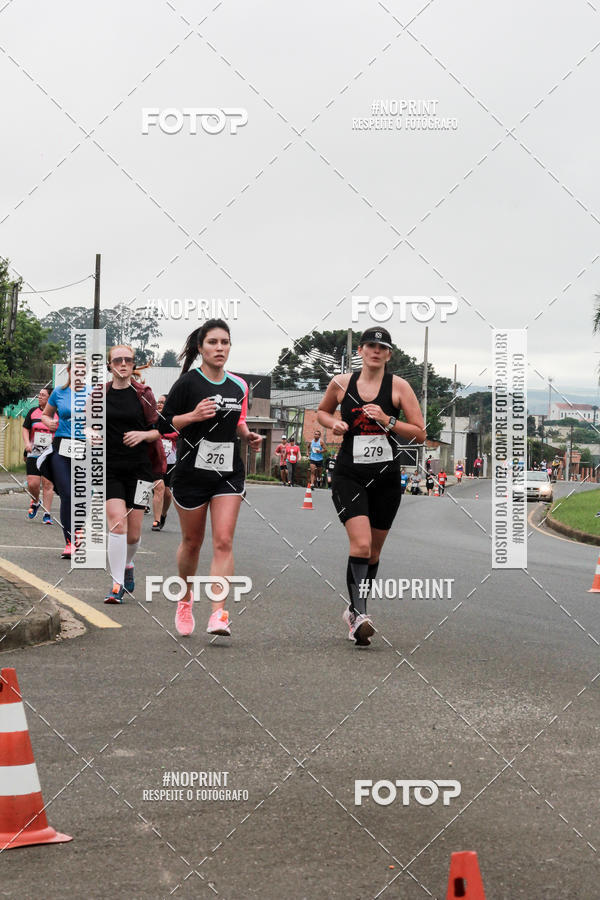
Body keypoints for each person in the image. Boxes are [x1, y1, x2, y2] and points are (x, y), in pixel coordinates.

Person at [317, 326, 425, 645]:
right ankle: (360, 614)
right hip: (349, 473)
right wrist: (333, 422)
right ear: (361, 351)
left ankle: (353, 608)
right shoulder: (341, 383)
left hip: (386, 477)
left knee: (374, 553)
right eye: (370, 345)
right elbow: (322, 412)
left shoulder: (399, 387)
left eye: (382, 347)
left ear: (389, 354)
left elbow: (419, 433)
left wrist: (388, 420)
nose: (376, 351)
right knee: (361, 545)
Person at [159, 319, 263, 637]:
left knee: (223, 541)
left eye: (225, 342)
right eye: (213, 342)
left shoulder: (239, 386)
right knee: (192, 543)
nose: (220, 348)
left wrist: (248, 436)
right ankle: (186, 599)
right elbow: (163, 426)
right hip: (191, 472)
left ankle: (219, 613)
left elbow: (239, 420)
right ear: (201, 348)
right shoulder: (188, 384)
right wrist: (192, 416)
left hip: (227, 473)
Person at [103, 346, 163, 603]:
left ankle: (128, 565)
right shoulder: (99, 394)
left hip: (139, 469)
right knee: (117, 523)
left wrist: (142, 435)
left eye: (128, 360)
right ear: (110, 365)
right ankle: (116, 585)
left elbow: (160, 430)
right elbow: (87, 426)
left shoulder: (143, 394)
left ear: (133, 365)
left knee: (134, 534)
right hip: (110, 467)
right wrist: (91, 434)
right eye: (118, 360)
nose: (123, 363)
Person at [41, 363, 88, 559]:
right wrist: (48, 422)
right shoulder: (59, 393)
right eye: (76, 370)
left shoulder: (94, 393)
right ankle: (69, 540)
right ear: (69, 371)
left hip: (85, 447)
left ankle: (78, 531)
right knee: (67, 494)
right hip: (61, 446)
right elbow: (45, 414)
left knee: (81, 495)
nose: (79, 374)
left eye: (83, 371)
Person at [22, 388, 57, 525]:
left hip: (50, 452)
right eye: (39, 395)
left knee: (48, 483)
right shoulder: (33, 412)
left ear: (50, 398)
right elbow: (26, 428)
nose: (39, 397)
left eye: (43, 395)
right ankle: (36, 501)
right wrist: (27, 444)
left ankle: (47, 514)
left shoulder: (57, 413)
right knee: (33, 484)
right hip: (34, 451)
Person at [152, 395, 177, 531]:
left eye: (162, 402)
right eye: (158, 402)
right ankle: (156, 520)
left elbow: (179, 433)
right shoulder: (152, 418)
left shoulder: (172, 419)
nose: (159, 404)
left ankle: (163, 514)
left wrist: (162, 435)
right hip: (155, 460)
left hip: (170, 461)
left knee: (167, 493)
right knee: (158, 488)